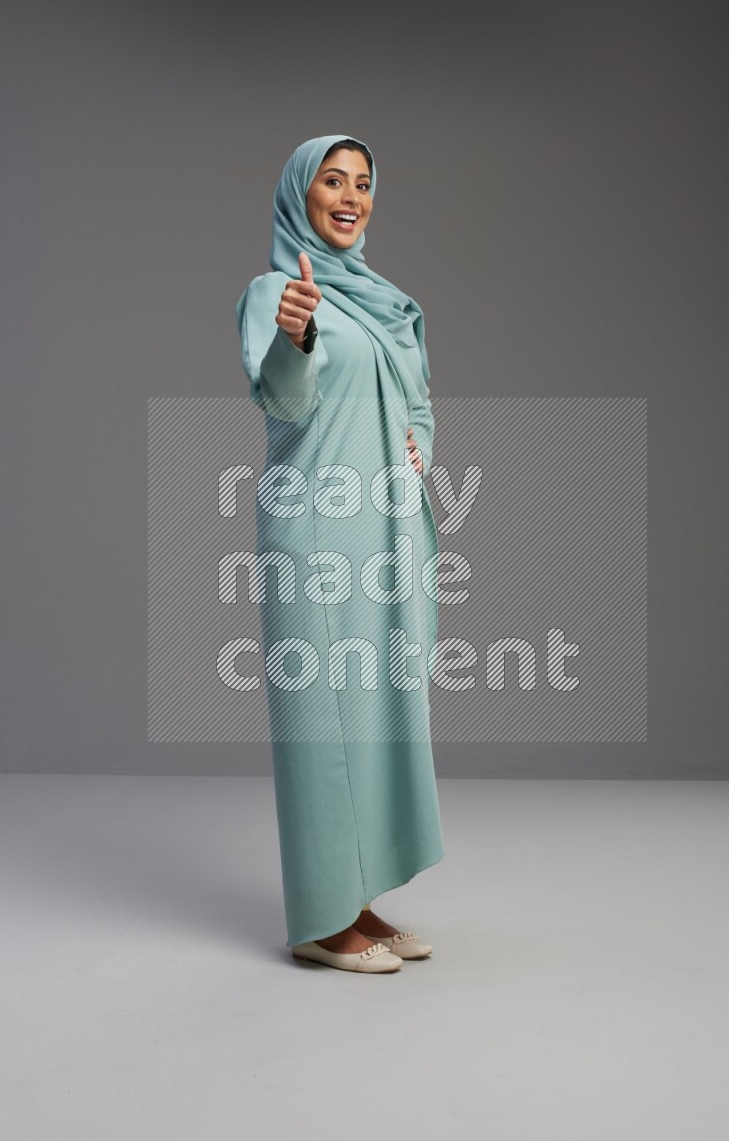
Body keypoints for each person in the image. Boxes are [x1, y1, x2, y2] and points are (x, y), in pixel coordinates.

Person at [235, 135, 444, 974]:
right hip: (316, 534)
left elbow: (419, 398)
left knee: (375, 718)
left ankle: (356, 901)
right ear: (301, 194)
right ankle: (319, 922)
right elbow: (282, 401)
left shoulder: (387, 301)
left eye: (363, 183)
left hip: (385, 531)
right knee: (322, 726)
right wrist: (296, 335)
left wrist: (418, 445)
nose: (351, 196)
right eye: (333, 180)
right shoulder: (276, 292)